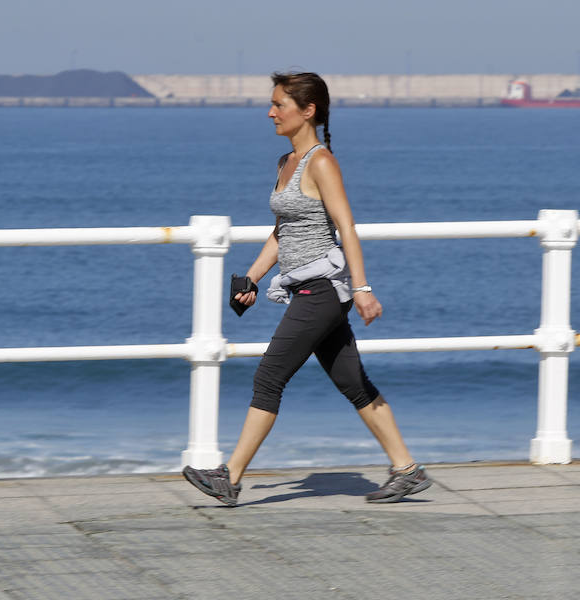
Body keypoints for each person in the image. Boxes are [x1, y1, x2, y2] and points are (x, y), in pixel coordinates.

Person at [183, 72, 429, 506]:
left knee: (269, 376)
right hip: (305, 288)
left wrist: (363, 288)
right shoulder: (286, 162)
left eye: (279, 104)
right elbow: (282, 232)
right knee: (353, 382)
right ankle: (407, 470)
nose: (270, 112)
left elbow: (346, 227)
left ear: (308, 110)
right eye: (272, 104)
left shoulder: (321, 162)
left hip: (323, 289)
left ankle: (229, 478)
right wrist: (252, 278)